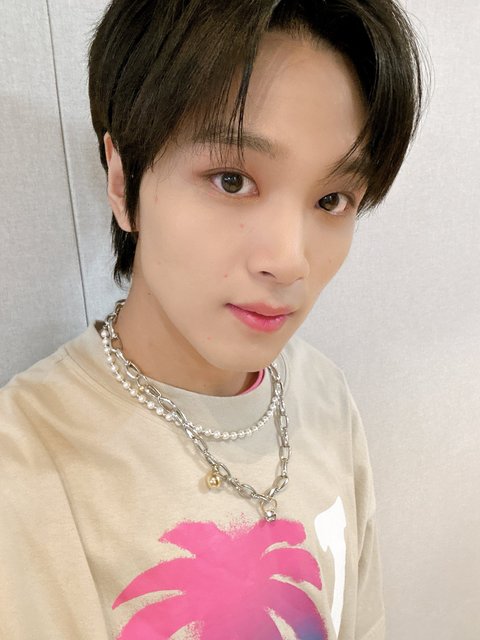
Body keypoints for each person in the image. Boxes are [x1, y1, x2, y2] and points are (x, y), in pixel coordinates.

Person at [0, 0, 424, 638]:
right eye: (231, 180)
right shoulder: (25, 462)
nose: (289, 260)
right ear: (122, 180)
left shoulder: (324, 394)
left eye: (332, 199)